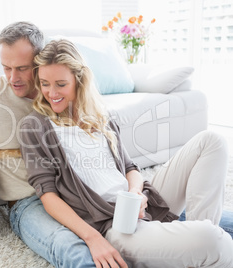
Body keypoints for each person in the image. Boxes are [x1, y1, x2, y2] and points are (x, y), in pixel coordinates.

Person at [0, 20, 233, 267]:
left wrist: (136, 192)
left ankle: (189, 242)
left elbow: (125, 165)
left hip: (108, 197)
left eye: (22, 68)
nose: (13, 79)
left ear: (42, 60)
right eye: (5, 68)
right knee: (77, 251)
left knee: (206, 180)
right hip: (30, 201)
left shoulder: (84, 106)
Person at [19, 38, 233, 267]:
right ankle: (197, 241)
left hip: (140, 204)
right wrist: (92, 238)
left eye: (61, 84)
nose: (51, 93)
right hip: (115, 225)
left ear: (79, 81)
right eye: (44, 83)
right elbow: (48, 196)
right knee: (216, 240)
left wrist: (136, 194)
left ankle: (193, 241)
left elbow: (131, 169)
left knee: (212, 141)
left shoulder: (101, 117)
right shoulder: (35, 126)